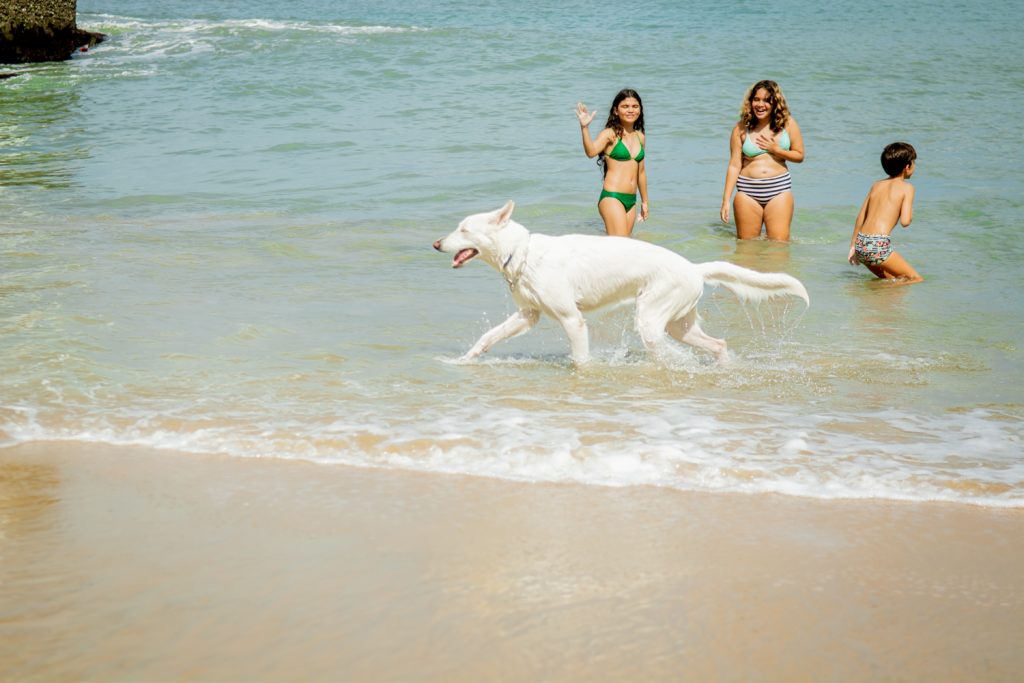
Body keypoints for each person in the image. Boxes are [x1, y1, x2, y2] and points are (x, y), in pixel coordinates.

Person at [721, 80, 804, 240]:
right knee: (746, 248)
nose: (760, 104)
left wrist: (776, 150)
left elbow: (799, 155)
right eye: (756, 99)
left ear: (775, 103)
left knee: (779, 246)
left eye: (766, 100)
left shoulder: (788, 124)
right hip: (747, 193)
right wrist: (726, 200)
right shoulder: (740, 129)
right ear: (750, 101)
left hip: (779, 190)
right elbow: (734, 165)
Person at [575, 89, 649, 236]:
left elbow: (641, 172)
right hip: (612, 197)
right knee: (619, 247)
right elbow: (591, 152)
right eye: (625, 106)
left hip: (631, 201)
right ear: (616, 111)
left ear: (640, 110)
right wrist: (584, 128)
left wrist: (645, 202)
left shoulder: (640, 137)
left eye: (635, 106)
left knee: (624, 249)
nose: (630, 110)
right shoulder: (610, 134)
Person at [847, 142, 923, 284]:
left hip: (861, 244)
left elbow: (860, 217)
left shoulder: (876, 185)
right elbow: (905, 222)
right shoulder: (907, 188)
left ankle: (878, 302)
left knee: (892, 280)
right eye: (914, 162)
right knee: (916, 278)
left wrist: (853, 246)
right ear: (907, 166)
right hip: (878, 245)